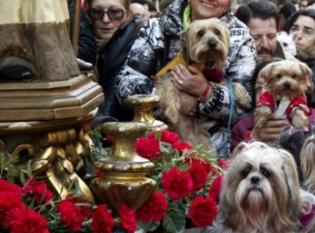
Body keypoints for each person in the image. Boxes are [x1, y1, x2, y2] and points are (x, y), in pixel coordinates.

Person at [116, 0, 256, 154]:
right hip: (158, 145)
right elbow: (125, 87)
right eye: (200, 34)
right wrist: (172, 101)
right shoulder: (156, 28)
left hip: (220, 151)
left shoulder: (242, 37)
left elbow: (246, 107)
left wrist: (206, 93)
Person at [87, 0, 146, 122]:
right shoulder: (79, 42)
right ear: (88, 13)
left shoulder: (140, 46)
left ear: (128, 14)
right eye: (96, 12)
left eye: (115, 13)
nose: (106, 19)